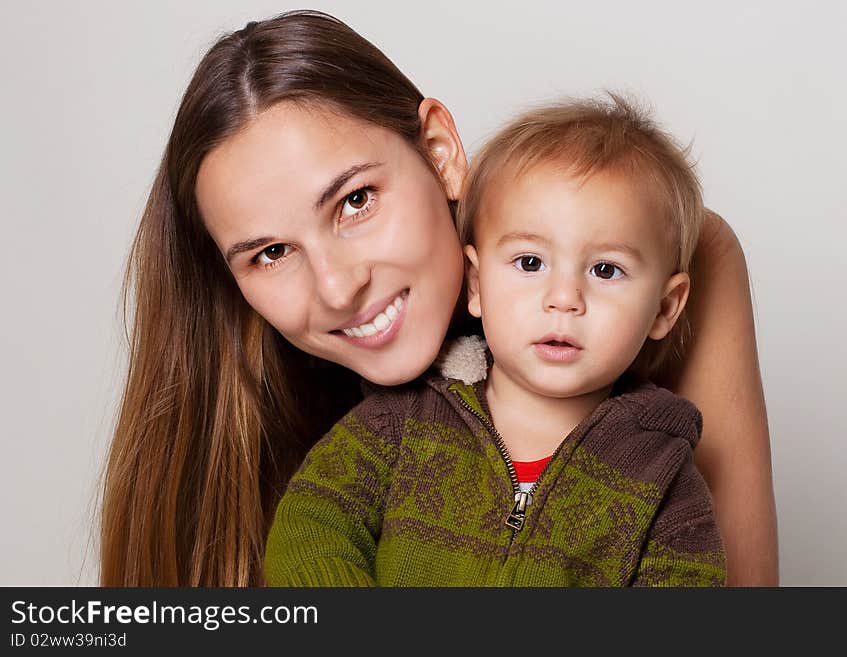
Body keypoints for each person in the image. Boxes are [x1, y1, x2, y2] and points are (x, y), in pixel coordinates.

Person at [100, 10, 776, 586]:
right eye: (270, 253)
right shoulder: (297, 413)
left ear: (440, 149)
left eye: (355, 200)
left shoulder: (658, 250)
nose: (338, 288)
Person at [263, 96, 726, 586]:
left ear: (664, 307)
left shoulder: (664, 481)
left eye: (605, 270)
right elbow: (311, 524)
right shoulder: (398, 426)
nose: (563, 299)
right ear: (478, 285)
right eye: (530, 263)